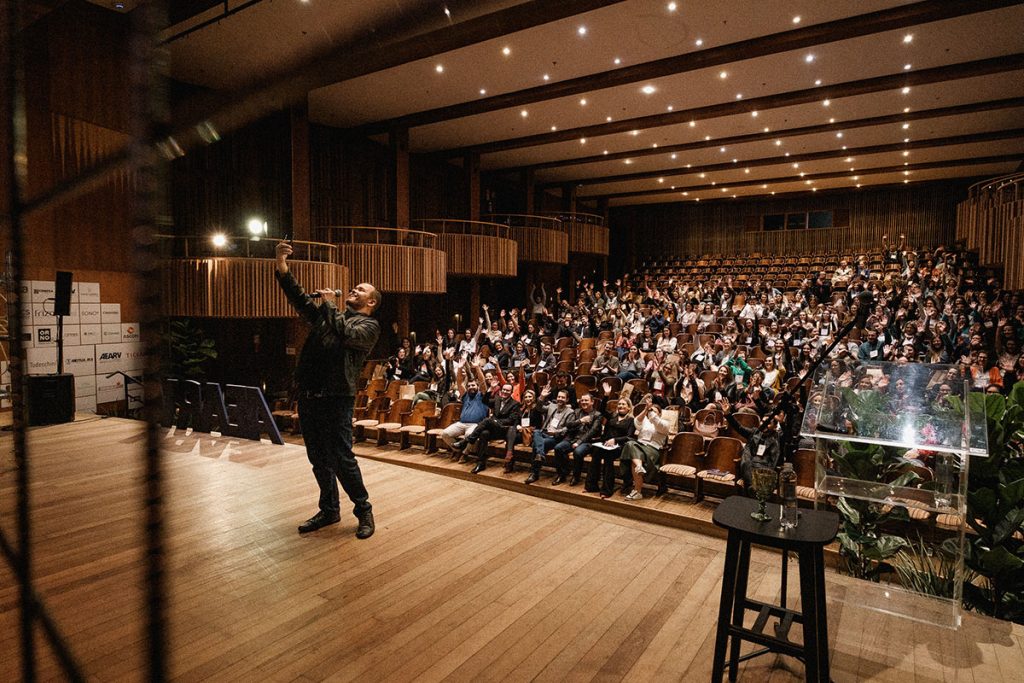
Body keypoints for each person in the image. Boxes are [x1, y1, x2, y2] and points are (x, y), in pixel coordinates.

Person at [274, 240, 380, 539]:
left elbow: (345, 333)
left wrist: (330, 303)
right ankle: (330, 510)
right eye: (354, 287)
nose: (354, 290)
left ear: (371, 302)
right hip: (311, 396)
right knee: (318, 458)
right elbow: (299, 300)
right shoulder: (329, 316)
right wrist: (282, 265)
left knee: (342, 458)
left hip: (337, 398)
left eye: (361, 290)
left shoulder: (369, 327)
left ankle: (364, 510)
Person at [463, 382, 522, 473]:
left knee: (487, 420)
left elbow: (511, 420)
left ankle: (468, 440)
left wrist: (495, 422)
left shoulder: (515, 404)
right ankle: (481, 463)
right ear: (501, 390)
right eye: (504, 390)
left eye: (507, 390)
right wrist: (490, 389)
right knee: (484, 433)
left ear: (511, 392)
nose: (505, 392)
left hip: (506, 430)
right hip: (495, 430)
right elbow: (484, 401)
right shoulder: (497, 399)